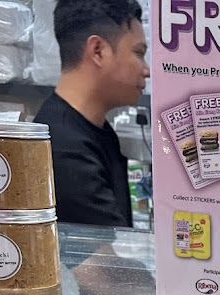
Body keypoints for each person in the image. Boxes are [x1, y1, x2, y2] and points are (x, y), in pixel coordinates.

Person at [34, 0, 149, 227]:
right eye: (138, 53)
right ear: (98, 51)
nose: (146, 70)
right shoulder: (65, 150)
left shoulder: (95, 131)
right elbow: (107, 247)